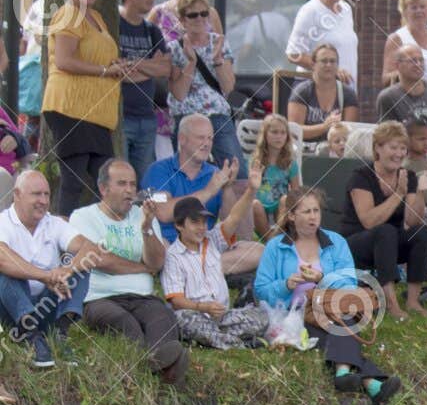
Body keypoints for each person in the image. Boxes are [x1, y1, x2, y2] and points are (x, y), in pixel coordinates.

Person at [255, 186, 400, 405]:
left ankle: (343, 373)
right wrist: (285, 284)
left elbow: (348, 285)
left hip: (330, 310)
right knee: (335, 331)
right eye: (306, 212)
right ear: (292, 216)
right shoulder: (275, 247)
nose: (313, 217)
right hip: (293, 316)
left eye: (316, 211)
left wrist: (323, 277)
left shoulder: (336, 242)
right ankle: (372, 384)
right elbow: (260, 290)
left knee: (345, 320)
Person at [71, 159, 188, 385]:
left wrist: (146, 229)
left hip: (142, 297)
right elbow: (100, 259)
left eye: (133, 184)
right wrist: (141, 268)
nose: (129, 190)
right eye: (122, 183)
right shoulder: (82, 216)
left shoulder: (143, 215)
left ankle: (160, 367)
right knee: (127, 325)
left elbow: (157, 262)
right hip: (99, 298)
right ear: (103, 189)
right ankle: (164, 373)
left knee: (163, 318)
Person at [42, 0, 123, 215]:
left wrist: (120, 67)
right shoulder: (68, 15)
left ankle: (109, 237)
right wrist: (104, 71)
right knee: (73, 181)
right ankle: (61, 242)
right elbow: (64, 61)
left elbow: (101, 59)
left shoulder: (96, 17)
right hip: (70, 108)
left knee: (110, 179)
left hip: (96, 112)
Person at [143, 114, 263, 275]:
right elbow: (163, 212)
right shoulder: (160, 169)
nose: (207, 144)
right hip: (170, 245)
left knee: (258, 251)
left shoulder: (215, 174)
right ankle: (202, 269)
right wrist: (208, 191)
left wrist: (227, 188)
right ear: (182, 139)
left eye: (210, 138)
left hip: (204, 246)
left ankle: (191, 269)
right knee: (162, 250)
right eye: (200, 138)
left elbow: (241, 232)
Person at [343, 121, 427, 320]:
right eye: (393, 147)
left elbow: (412, 221)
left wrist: (417, 190)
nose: (398, 153)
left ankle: (413, 301)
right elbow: (369, 221)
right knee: (385, 230)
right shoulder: (361, 177)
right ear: (378, 147)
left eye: (403, 148)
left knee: (422, 231)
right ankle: (391, 303)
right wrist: (399, 194)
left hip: (390, 244)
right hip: (356, 243)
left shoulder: (408, 176)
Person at [0, 170, 97, 368]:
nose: (43, 201)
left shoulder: (53, 223)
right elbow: (3, 258)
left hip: (47, 305)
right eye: (36, 194)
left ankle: (58, 334)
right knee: (6, 272)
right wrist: (46, 276)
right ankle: (31, 336)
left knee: (82, 264)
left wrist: (66, 270)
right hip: (11, 310)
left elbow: (90, 248)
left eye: (47, 195)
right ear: (17, 194)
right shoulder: (3, 222)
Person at [160, 196, 269, 349]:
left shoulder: (212, 240)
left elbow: (234, 217)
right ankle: (238, 343)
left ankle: (213, 340)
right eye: (195, 222)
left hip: (222, 317)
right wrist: (203, 307)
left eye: (204, 222)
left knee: (262, 317)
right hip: (194, 316)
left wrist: (251, 190)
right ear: (179, 225)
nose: (202, 227)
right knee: (181, 319)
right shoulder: (173, 256)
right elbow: (176, 302)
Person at [166, 0, 245, 171]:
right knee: (184, 171)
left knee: (236, 170)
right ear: (183, 19)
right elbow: (178, 93)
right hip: (186, 115)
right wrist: (191, 62)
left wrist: (217, 59)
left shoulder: (219, 42)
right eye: (193, 15)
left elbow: (228, 87)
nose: (199, 18)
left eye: (204, 13)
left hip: (216, 113)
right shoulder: (174, 48)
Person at [116, 0, 172, 181]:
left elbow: (165, 69)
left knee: (144, 183)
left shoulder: (152, 30)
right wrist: (150, 66)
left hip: (147, 118)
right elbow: (116, 72)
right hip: (121, 117)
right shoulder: (115, 26)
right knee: (121, 179)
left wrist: (133, 66)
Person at [287, 0, 357, 85]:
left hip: (345, 88)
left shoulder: (346, 9)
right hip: (315, 89)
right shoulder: (311, 10)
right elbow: (293, 54)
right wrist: (330, 70)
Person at [286, 43, 360, 143]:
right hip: (305, 150)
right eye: (324, 61)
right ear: (313, 64)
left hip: (336, 151)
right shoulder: (302, 91)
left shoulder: (348, 94)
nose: (328, 65)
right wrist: (324, 127)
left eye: (332, 61)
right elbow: (294, 130)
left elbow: (351, 132)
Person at [377, 44, 427, 129]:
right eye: (412, 61)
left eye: (421, 60)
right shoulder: (388, 97)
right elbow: (387, 135)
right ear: (398, 65)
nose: (418, 64)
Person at [250, 113, 299, 236]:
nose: (279, 137)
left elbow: (296, 191)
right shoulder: (255, 161)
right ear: (265, 135)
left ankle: (274, 239)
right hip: (260, 205)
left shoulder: (290, 163)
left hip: (280, 207)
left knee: (285, 199)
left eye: (283, 133)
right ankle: (270, 242)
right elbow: (249, 190)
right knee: (255, 204)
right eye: (274, 132)